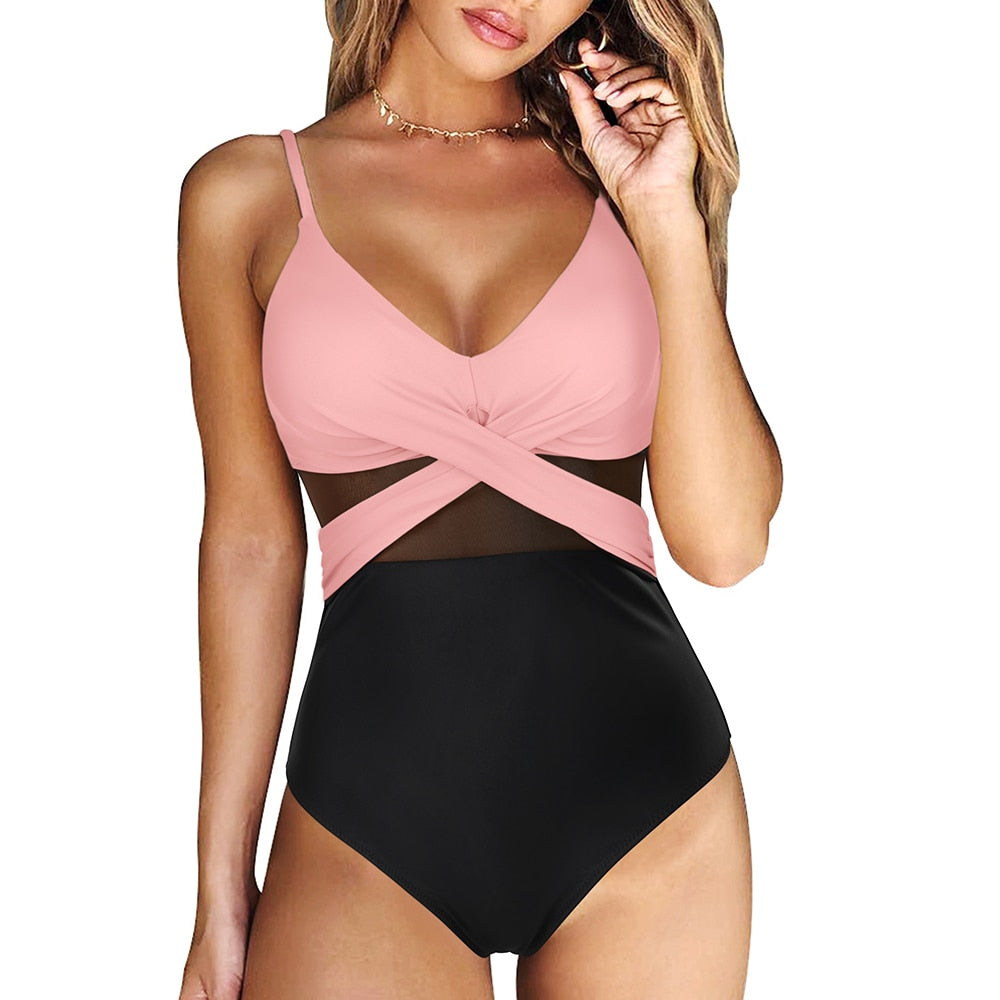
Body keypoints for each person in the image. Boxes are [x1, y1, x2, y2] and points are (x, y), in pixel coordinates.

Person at [176, 0, 782, 996]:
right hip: (365, 828)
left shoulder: (623, 175)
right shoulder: (246, 196)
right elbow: (251, 544)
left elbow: (725, 544)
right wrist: (218, 891)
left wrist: (666, 216)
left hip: (649, 817)